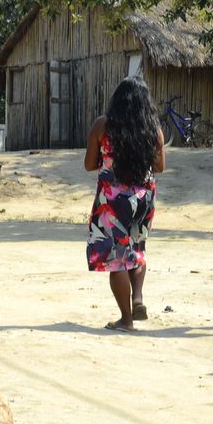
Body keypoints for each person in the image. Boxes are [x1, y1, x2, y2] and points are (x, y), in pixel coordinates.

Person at [84, 76, 166, 331]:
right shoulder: (153, 129)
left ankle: (126, 319)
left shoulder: (103, 126)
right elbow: (160, 167)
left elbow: (88, 165)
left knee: (116, 258)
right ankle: (138, 297)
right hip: (143, 199)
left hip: (113, 201)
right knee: (137, 248)